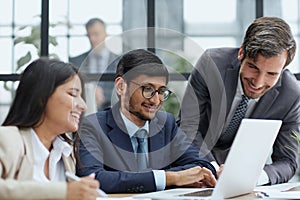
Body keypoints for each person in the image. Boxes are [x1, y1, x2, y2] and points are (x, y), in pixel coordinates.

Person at [178, 17, 300, 185]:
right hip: (191, 166)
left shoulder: (291, 95)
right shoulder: (212, 64)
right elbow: (188, 125)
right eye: (253, 68)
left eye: (271, 74)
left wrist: (254, 177)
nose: (258, 82)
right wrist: (212, 169)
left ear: (283, 68)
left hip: (243, 183)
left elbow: (288, 161)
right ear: (241, 52)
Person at [76, 49, 217, 193]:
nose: (155, 100)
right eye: (147, 89)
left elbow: (203, 165)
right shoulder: (92, 126)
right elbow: (92, 178)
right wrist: (168, 178)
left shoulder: (165, 123)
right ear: (121, 86)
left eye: (161, 91)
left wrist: (174, 177)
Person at [0, 57, 100, 200]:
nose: (83, 106)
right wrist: (63, 192)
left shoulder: (66, 154)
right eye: (73, 94)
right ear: (41, 97)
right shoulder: (9, 140)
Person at [69, 18, 118, 111]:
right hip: (82, 112)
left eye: (96, 34)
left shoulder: (119, 62)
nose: (92, 39)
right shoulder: (75, 62)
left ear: (105, 34)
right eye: (89, 35)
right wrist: (90, 92)